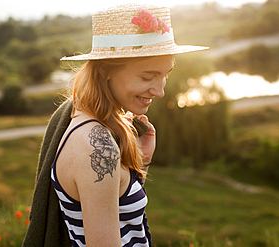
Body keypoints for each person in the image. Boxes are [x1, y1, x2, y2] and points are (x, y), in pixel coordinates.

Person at [22, 3, 208, 247]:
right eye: (147, 76)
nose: (160, 90)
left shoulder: (90, 124)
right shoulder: (97, 145)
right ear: (105, 71)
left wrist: (141, 161)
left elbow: (122, 217)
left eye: (166, 74)